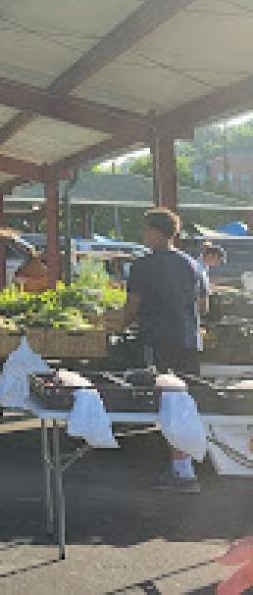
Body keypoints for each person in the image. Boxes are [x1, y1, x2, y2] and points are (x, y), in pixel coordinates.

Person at [123, 208, 209, 492]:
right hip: (188, 340)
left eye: (145, 230)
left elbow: (132, 309)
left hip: (159, 340)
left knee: (169, 402)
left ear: (156, 232)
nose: (143, 235)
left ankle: (181, 471)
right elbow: (203, 307)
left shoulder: (143, 266)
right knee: (186, 402)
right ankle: (187, 464)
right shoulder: (193, 265)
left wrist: (114, 326)